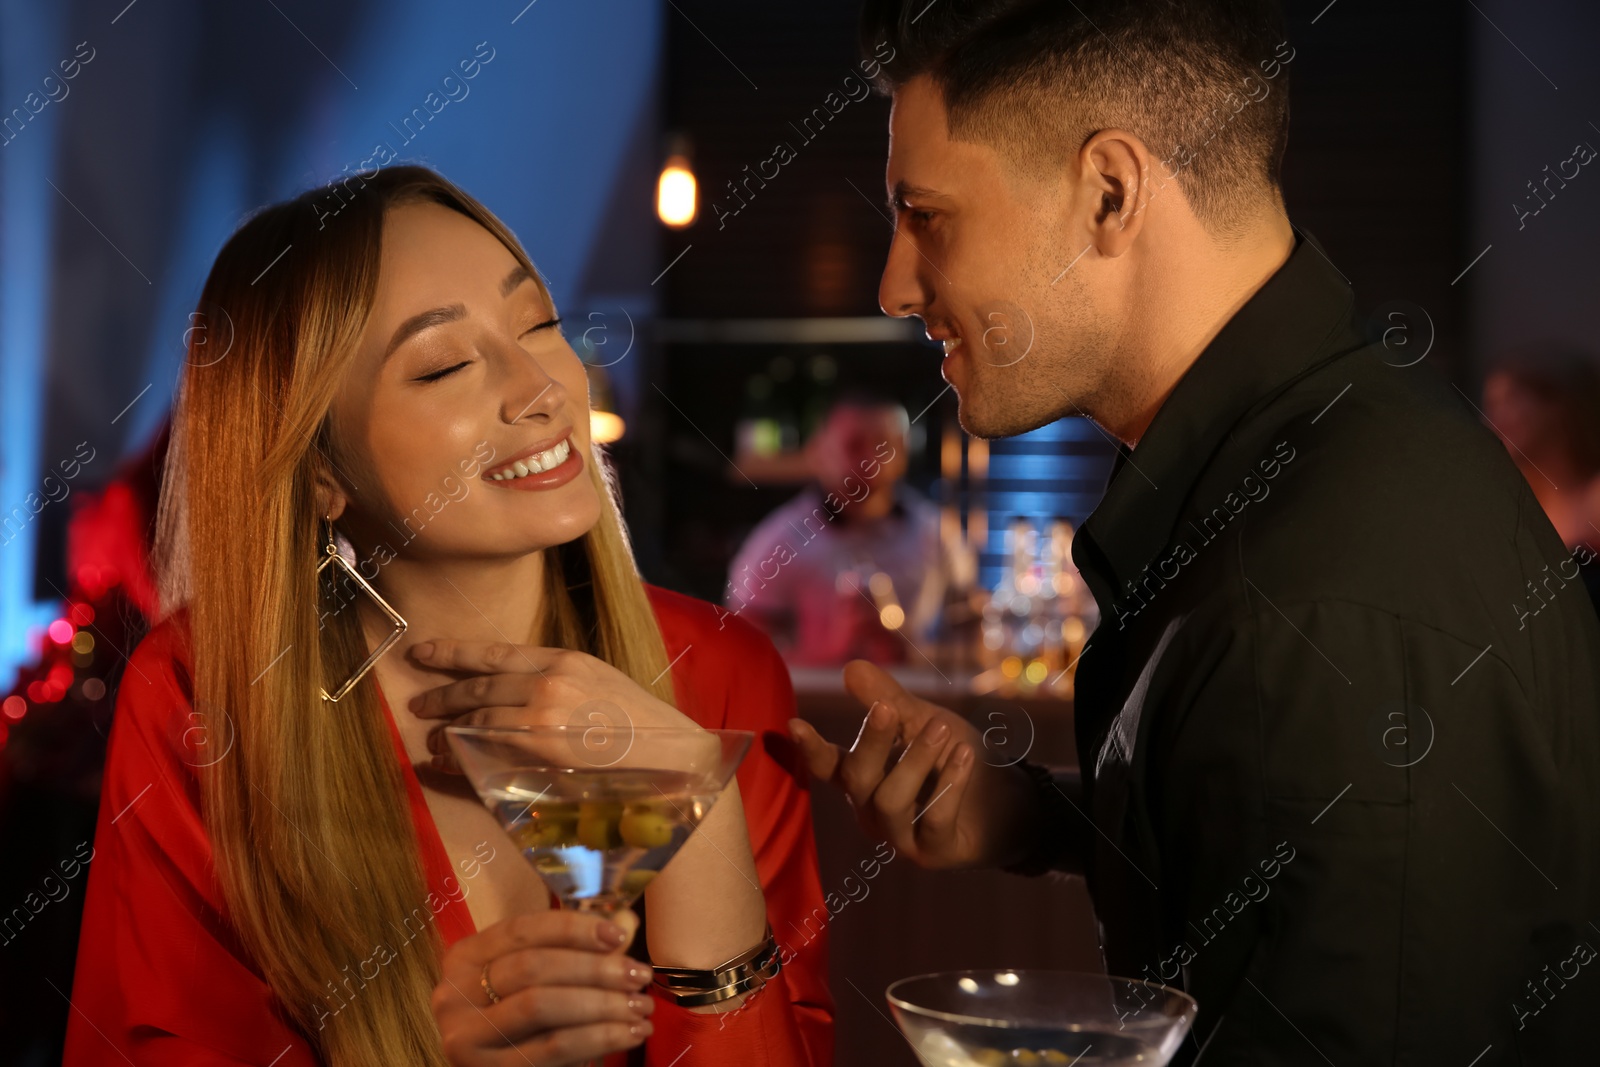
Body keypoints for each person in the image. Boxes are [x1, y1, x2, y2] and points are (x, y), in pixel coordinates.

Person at [790, 1, 1599, 1063]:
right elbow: (1280, 839)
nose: (895, 284)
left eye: (926, 214)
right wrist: (1032, 817)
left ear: (1109, 193)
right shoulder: (1317, 462)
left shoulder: (1317, 596)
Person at [63, 166, 833, 1067]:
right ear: (322, 472)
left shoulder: (721, 670)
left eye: (539, 323)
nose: (542, 388)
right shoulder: (204, 693)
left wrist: (698, 842)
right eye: (445, 364)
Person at [724, 392, 953, 665]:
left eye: (883, 447)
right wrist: (826, 655)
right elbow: (740, 645)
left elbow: (968, 627)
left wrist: (906, 648)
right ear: (820, 452)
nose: (870, 461)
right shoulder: (779, 541)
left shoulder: (936, 533)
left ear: (903, 452)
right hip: (812, 705)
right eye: (854, 446)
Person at [1481, 344, 1600, 618]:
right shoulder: (1505, 510)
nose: (1492, 420)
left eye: (1507, 402)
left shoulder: (1595, 498)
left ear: (1559, 405)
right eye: (1490, 406)